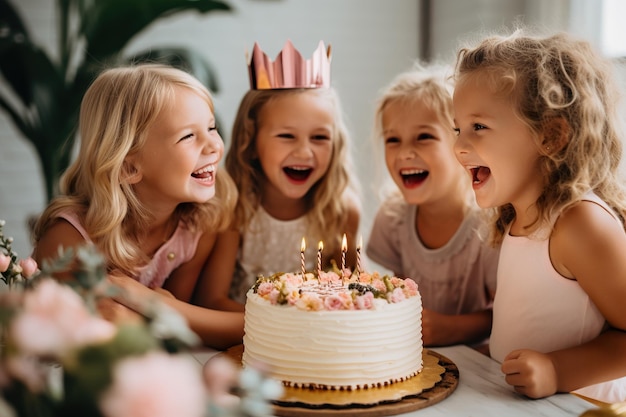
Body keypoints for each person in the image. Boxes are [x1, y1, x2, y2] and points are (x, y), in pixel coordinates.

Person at [453, 29, 626, 403]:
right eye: (458, 128)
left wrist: (556, 369)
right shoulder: (515, 218)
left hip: (583, 408)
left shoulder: (579, 223)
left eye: (478, 127)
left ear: (550, 136)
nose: (459, 146)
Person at [32, 64, 244, 350]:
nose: (215, 146)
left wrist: (154, 304)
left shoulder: (198, 225)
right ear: (129, 166)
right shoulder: (69, 242)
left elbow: (176, 329)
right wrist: (159, 311)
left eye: (211, 127)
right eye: (188, 136)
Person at [366, 63, 498, 349]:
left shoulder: (489, 227)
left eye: (424, 137)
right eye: (393, 140)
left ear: (462, 143)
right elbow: (399, 295)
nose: (404, 153)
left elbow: (503, 315)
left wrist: (453, 328)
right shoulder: (392, 219)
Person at [224, 40, 361, 304]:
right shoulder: (235, 209)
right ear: (250, 142)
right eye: (287, 136)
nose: (304, 152)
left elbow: (356, 293)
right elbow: (212, 298)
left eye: (319, 137)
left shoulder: (342, 212)